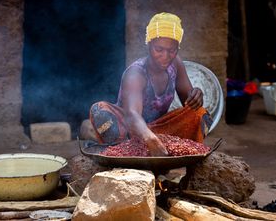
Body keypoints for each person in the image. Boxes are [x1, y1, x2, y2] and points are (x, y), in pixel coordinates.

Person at [89, 12, 213, 156]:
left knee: (199, 114)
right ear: (149, 45)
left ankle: (160, 150)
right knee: (99, 110)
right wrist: (149, 138)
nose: (165, 56)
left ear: (177, 48)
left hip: (159, 130)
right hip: (129, 130)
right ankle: (126, 151)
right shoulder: (136, 73)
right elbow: (132, 114)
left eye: (171, 50)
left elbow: (190, 103)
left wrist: (197, 94)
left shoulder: (176, 64)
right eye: (158, 49)